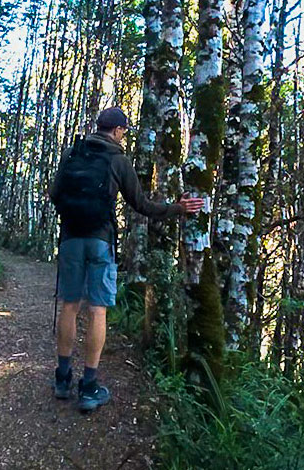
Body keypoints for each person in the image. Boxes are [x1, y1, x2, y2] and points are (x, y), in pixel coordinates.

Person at [48, 106, 203, 412]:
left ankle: (63, 379)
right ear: (118, 131)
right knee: (97, 310)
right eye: (124, 133)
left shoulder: (72, 153)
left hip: (70, 239)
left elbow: (54, 195)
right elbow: (142, 205)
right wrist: (178, 209)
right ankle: (89, 388)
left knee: (69, 304)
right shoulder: (118, 160)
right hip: (100, 240)